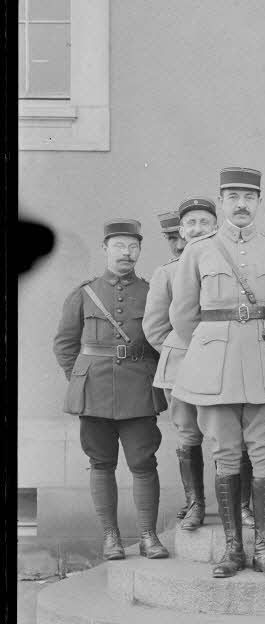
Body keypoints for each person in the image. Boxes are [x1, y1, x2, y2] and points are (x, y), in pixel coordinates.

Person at [170, 167, 265, 578]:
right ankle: (232, 550)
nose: (241, 205)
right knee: (224, 453)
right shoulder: (198, 251)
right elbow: (183, 316)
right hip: (215, 370)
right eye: (233, 197)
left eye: (249, 197)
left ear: (258, 201)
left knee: (263, 454)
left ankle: (263, 548)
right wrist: (212, 349)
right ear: (222, 201)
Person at [54, 219, 168, 561]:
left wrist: (152, 379)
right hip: (94, 392)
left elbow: (162, 342)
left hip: (139, 390)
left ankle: (148, 536)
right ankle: (111, 537)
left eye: (133, 246)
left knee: (143, 463)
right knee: (101, 463)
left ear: (140, 250)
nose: (126, 252)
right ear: (105, 248)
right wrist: (80, 380)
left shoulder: (152, 293)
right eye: (119, 245)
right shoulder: (84, 293)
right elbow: (65, 345)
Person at [144, 198, 219, 531]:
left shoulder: (229, 266)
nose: (198, 229)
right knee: (188, 434)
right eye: (192, 224)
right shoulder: (168, 273)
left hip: (224, 366)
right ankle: (195, 504)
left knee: (229, 436)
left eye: (205, 222)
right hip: (182, 367)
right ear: (183, 231)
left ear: (216, 227)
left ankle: (240, 505)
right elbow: (155, 327)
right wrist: (185, 353)